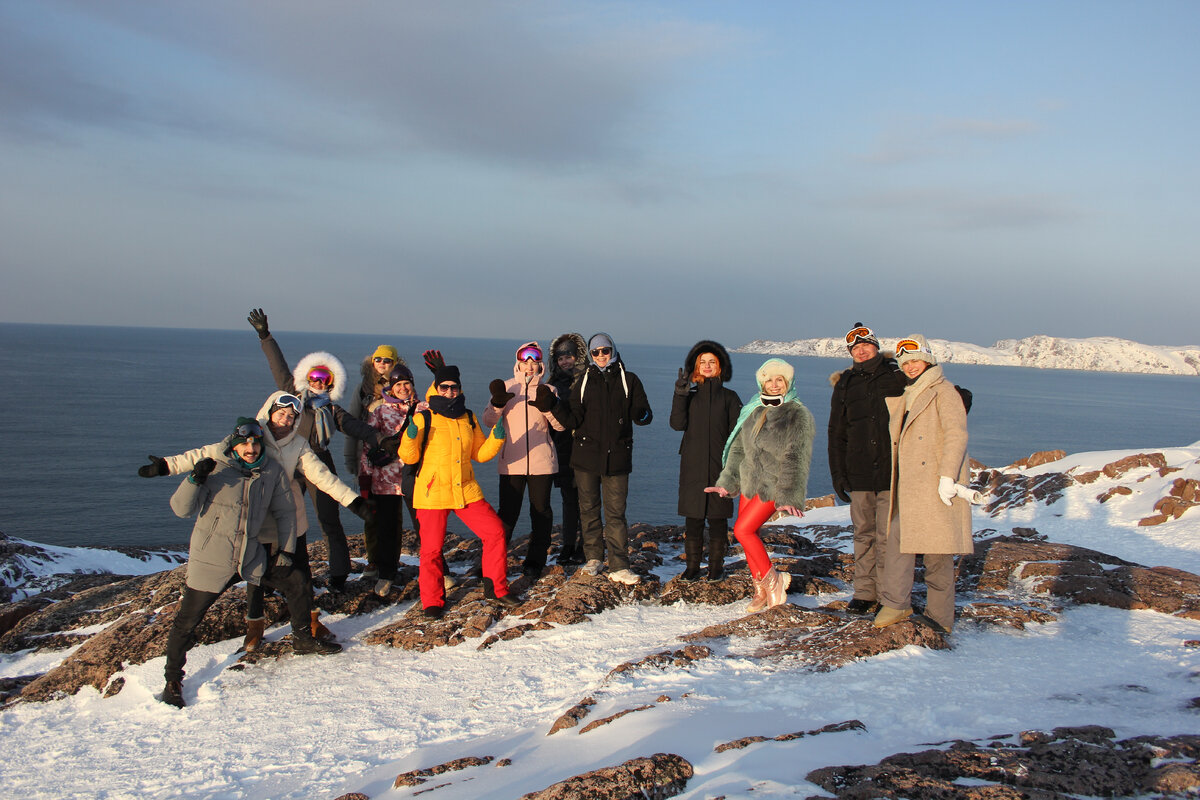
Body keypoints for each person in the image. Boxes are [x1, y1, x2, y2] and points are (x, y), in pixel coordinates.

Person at [147, 392, 371, 650]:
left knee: (300, 573)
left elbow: (322, 477)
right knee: (254, 578)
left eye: (291, 416)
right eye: (281, 413)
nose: (285, 420)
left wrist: (354, 502)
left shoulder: (297, 445)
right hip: (254, 521)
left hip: (289, 519)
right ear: (269, 411)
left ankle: (309, 623)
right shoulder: (251, 435)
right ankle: (255, 627)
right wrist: (165, 466)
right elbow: (207, 453)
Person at [159, 418, 340, 708]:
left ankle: (303, 638)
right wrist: (194, 478)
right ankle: (172, 680)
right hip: (213, 558)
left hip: (250, 555)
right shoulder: (215, 468)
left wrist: (287, 552)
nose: (252, 448)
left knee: (296, 582)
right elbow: (181, 509)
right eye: (245, 442)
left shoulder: (272, 471)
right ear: (234, 444)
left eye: (256, 442)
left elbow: (285, 513)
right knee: (187, 620)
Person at [247, 308, 381, 590]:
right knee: (283, 521)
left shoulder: (331, 409)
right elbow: (278, 365)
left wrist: (383, 440)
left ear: (331, 384)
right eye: (315, 377)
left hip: (318, 461)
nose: (319, 383)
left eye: (325, 380)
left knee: (329, 520)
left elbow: (358, 428)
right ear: (306, 377)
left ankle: (339, 574)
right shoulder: (291, 396)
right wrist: (265, 336)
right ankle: (280, 577)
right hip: (286, 462)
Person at [398, 364, 522, 618]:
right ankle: (432, 602)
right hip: (432, 493)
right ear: (437, 388)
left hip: (464, 489)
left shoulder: (468, 417)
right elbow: (408, 458)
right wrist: (410, 436)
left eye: (454, 387)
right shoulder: (425, 417)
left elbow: (479, 454)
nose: (450, 391)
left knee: (495, 532)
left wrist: (496, 439)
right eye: (445, 387)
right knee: (431, 550)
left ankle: (496, 588)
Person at [875, 335, 974, 633]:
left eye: (916, 360)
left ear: (928, 360)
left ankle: (940, 617)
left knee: (938, 553)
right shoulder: (909, 393)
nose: (911, 366)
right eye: (905, 362)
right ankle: (896, 603)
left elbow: (957, 435)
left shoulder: (943, 392)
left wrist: (947, 478)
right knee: (898, 543)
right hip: (909, 485)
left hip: (935, 484)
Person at [706, 358, 814, 613]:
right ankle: (760, 589)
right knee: (746, 534)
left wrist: (789, 495)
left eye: (780, 380)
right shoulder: (755, 409)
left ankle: (773, 580)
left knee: (743, 530)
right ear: (761, 383)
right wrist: (727, 483)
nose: (774, 385)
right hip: (748, 482)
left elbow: (796, 456)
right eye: (769, 380)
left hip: (773, 485)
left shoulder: (798, 413)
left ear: (788, 383)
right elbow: (739, 450)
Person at [554, 333, 653, 585]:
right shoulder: (585, 381)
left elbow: (643, 414)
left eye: (605, 351)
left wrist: (641, 413)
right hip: (585, 457)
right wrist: (552, 405)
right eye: (595, 352)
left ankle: (619, 565)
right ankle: (594, 558)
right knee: (588, 510)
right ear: (589, 354)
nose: (600, 356)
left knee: (616, 513)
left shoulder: (629, 380)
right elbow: (573, 420)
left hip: (617, 458)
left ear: (613, 350)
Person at [827, 323, 907, 615]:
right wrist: (838, 473)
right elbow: (837, 431)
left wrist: (957, 397)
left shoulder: (898, 375)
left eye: (865, 345)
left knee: (889, 535)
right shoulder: (846, 383)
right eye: (854, 348)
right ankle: (865, 592)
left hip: (892, 469)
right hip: (859, 470)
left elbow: (928, 396)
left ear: (875, 345)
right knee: (863, 533)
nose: (860, 350)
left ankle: (889, 594)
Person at [482, 342, 564, 580]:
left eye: (534, 361)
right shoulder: (507, 387)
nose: (530, 366)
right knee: (506, 515)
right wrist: (498, 403)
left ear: (541, 365)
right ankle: (492, 563)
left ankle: (535, 563)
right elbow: (487, 421)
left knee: (541, 512)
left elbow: (560, 425)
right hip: (511, 462)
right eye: (525, 361)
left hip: (542, 463)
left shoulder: (549, 390)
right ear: (518, 363)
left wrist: (548, 408)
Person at [670, 341, 742, 581]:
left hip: (721, 468)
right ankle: (691, 568)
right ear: (696, 367)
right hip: (692, 465)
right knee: (693, 520)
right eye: (703, 362)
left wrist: (733, 471)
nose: (708, 366)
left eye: (712, 361)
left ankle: (715, 568)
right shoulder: (688, 396)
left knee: (718, 521)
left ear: (720, 366)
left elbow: (737, 436)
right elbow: (676, 424)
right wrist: (680, 395)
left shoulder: (731, 398)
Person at [345, 345, 409, 579]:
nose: (381, 363)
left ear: (395, 362)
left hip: (397, 462)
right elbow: (350, 424)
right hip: (369, 457)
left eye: (387, 360)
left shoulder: (402, 386)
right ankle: (374, 560)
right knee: (371, 510)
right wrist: (351, 459)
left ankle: (391, 559)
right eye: (377, 359)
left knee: (394, 514)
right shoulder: (363, 389)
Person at [359, 364, 423, 595]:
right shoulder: (380, 412)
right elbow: (367, 446)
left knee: (423, 526)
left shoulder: (423, 408)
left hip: (416, 476)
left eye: (407, 383)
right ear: (392, 388)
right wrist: (364, 479)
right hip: (385, 479)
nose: (404, 388)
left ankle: (437, 571)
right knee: (387, 529)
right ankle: (386, 574)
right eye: (398, 385)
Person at [547, 333, 588, 565]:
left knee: (588, 501)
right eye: (560, 357)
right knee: (569, 501)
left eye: (569, 356)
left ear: (578, 356)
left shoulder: (588, 380)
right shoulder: (551, 384)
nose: (565, 361)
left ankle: (586, 545)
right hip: (562, 449)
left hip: (585, 449)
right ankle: (568, 545)